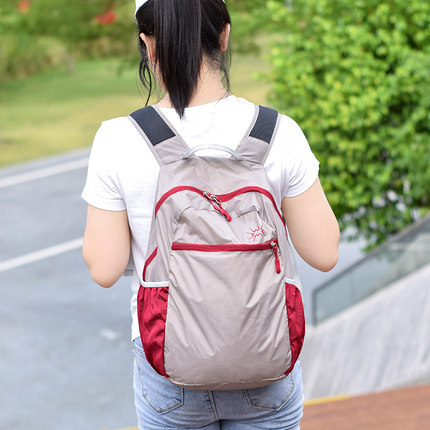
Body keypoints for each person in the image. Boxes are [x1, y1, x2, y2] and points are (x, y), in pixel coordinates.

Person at [82, 0, 340, 428]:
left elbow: (104, 269)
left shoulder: (118, 139)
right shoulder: (277, 133)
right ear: (224, 35)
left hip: (170, 369)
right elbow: (325, 252)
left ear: (148, 44)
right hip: (266, 362)